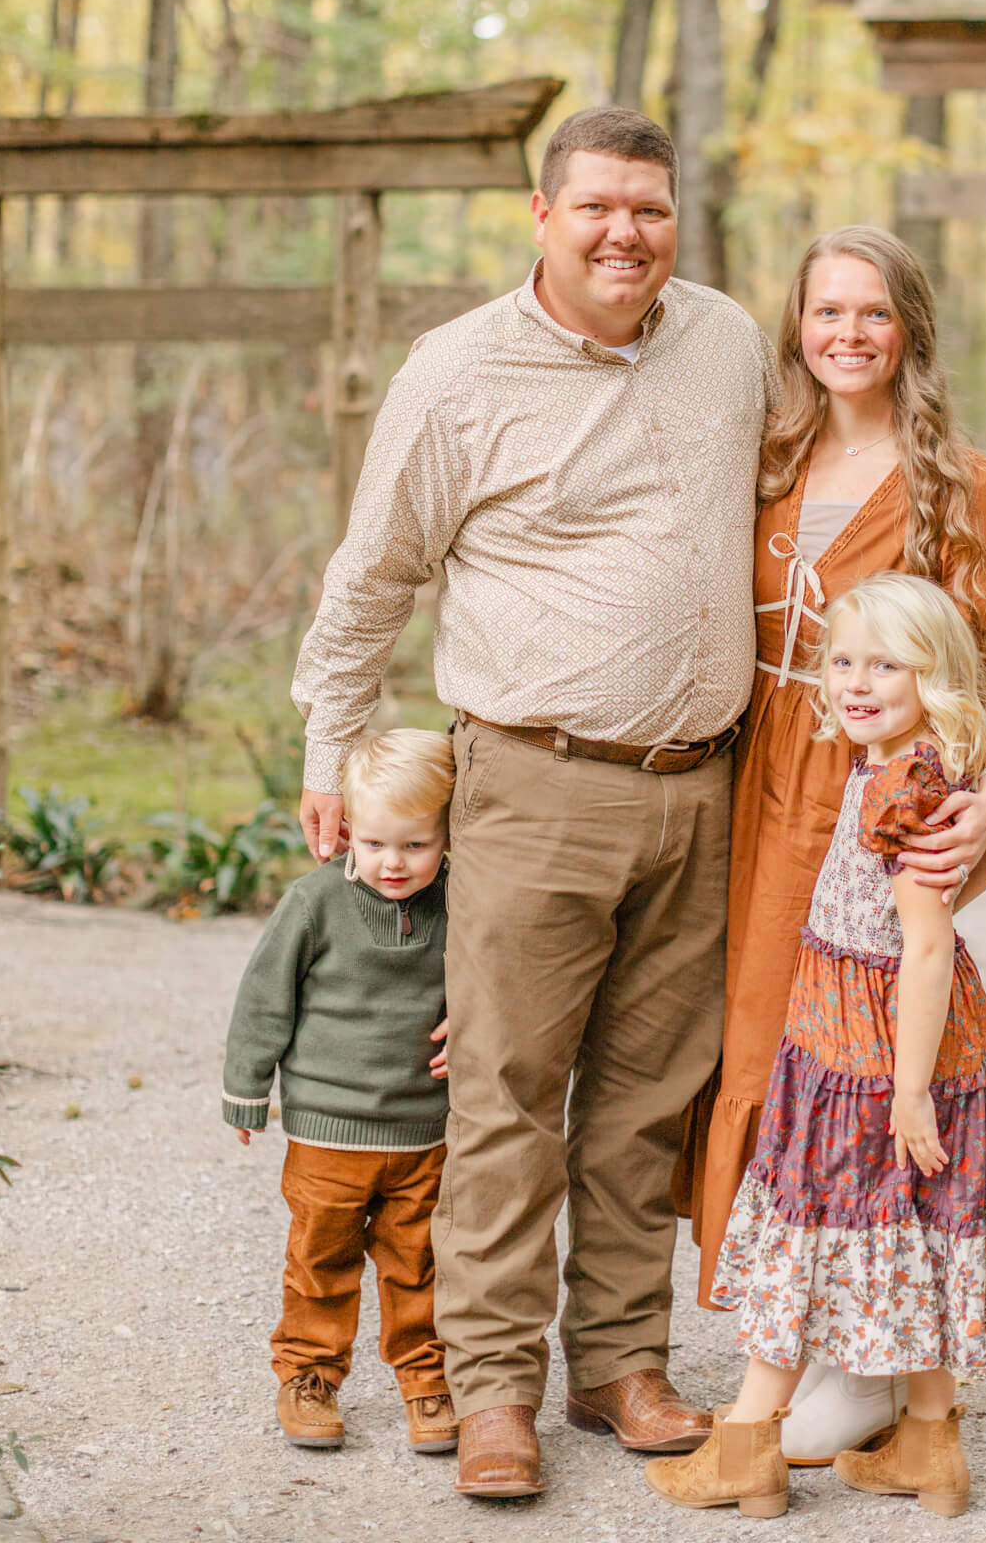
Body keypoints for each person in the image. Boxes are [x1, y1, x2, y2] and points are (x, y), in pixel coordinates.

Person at [290, 107, 776, 1498]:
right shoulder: (457, 372)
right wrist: (336, 743)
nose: (626, 233)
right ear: (542, 217)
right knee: (507, 1090)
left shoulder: (728, 342)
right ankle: (495, 1388)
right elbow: (375, 570)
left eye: (650, 209)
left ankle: (619, 1362)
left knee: (648, 1097)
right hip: (534, 781)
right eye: (597, 208)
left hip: (702, 787)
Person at [687, 225, 986, 1466]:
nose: (847, 333)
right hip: (757, 774)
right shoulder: (768, 458)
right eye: (825, 310)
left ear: (913, 329)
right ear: (796, 326)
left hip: (873, 792)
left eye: (874, 312)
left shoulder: (964, 482)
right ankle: (811, 1319)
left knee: (858, 1047)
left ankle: (866, 1361)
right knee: (762, 1041)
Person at [649, 573, 986, 1520]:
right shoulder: (919, 765)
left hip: (868, 1054)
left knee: (816, 1219)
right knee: (919, 1223)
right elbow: (960, 888)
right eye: (841, 660)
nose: (855, 682)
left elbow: (926, 941)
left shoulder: (901, 789)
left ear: (933, 673)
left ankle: (746, 1441)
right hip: (907, 1035)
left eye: (885, 665)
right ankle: (927, 1445)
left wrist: (906, 1092)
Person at [220, 729, 457, 1457]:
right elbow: (265, 1000)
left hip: (426, 1130)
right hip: (328, 1132)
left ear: (448, 838)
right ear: (347, 831)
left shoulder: (463, 904)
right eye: (378, 843)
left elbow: (500, 982)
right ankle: (310, 1376)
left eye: (416, 846)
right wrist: (246, 1090)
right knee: (321, 1261)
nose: (394, 863)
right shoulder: (314, 903)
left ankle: (426, 1379)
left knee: (419, 1264)